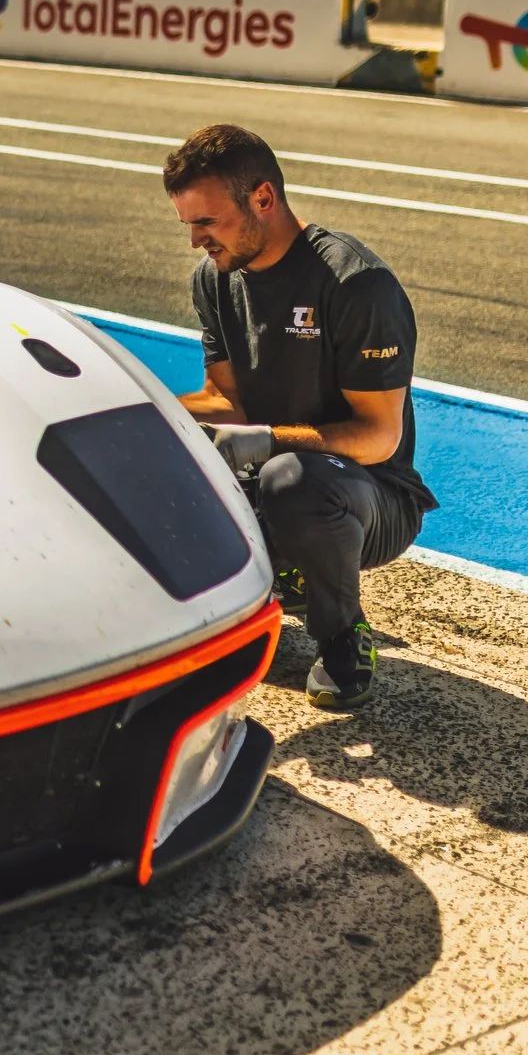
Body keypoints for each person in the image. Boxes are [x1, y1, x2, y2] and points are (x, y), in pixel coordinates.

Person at [163, 124, 435, 710]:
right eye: (187, 224)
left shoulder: (355, 283)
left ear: (262, 198)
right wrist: (140, 407)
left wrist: (263, 441)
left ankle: (343, 636)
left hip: (369, 494)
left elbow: (379, 437)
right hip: (269, 476)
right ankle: (271, 581)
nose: (195, 241)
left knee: (291, 477)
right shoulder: (214, 278)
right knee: (153, 452)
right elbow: (226, 400)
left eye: (206, 222)